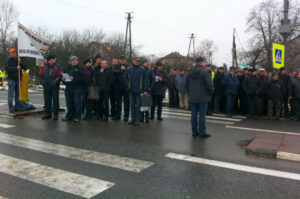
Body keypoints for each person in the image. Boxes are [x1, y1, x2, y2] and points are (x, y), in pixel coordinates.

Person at [186, 57, 213, 138]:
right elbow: (209, 84)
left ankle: (194, 131)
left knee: (193, 114)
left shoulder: (190, 72)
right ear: (202, 62)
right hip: (203, 96)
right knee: (202, 115)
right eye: (204, 62)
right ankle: (202, 132)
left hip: (193, 96)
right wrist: (210, 92)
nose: (205, 64)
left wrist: (190, 92)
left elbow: (187, 84)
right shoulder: (205, 72)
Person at [123, 57, 149, 125]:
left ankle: (138, 119)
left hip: (139, 91)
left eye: (138, 61)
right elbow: (124, 78)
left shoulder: (142, 69)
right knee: (131, 105)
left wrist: (145, 89)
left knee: (138, 105)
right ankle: (132, 119)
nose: (137, 62)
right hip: (131, 90)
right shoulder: (129, 69)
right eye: (136, 61)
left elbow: (146, 80)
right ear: (133, 61)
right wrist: (128, 85)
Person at [62, 56, 85, 122]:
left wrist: (74, 79)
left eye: (76, 60)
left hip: (77, 88)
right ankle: (69, 116)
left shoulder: (81, 68)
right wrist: (63, 79)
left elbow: (83, 78)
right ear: (70, 61)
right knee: (69, 103)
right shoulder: (67, 68)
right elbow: (64, 77)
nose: (74, 61)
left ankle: (77, 117)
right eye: (73, 60)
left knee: (77, 103)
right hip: (68, 88)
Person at [40, 55, 62, 120]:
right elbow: (41, 75)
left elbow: (60, 75)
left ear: (55, 60)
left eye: (52, 60)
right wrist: (42, 82)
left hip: (54, 86)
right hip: (46, 86)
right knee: (47, 101)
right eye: (50, 60)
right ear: (48, 61)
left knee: (55, 101)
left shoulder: (58, 66)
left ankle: (55, 114)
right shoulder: (45, 67)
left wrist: (55, 82)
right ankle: (48, 113)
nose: (51, 61)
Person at [5, 48, 26, 113]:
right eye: (12, 53)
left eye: (14, 53)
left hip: (19, 80)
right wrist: (15, 68)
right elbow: (7, 69)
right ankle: (11, 108)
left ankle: (17, 106)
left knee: (18, 95)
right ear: (10, 54)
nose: (13, 54)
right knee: (11, 95)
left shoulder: (18, 60)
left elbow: (25, 68)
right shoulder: (8, 60)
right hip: (12, 80)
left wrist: (20, 62)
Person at [112, 55, 130, 121]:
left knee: (126, 102)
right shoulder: (115, 65)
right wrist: (120, 70)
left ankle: (126, 116)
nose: (123, 61)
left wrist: (125, 69)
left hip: (126, 86)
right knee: (118, 102)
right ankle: (118, 115)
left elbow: (130, 73)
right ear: (119, 60)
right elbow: (114, 71)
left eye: (124, 59)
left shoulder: (128, 66)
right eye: (122, 59)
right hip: (118, 86)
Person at [140, 58, 155, 123]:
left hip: (148, 89)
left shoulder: (149, 70)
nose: (147, 63)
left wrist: (150, 87)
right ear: (143, 63)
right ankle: (141, 117)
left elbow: (153, 79)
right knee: (141, 104)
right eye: (146, 62)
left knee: (147, 103)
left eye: (147, 62)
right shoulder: (140, 69)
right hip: (140, 89)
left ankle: (147, 118)